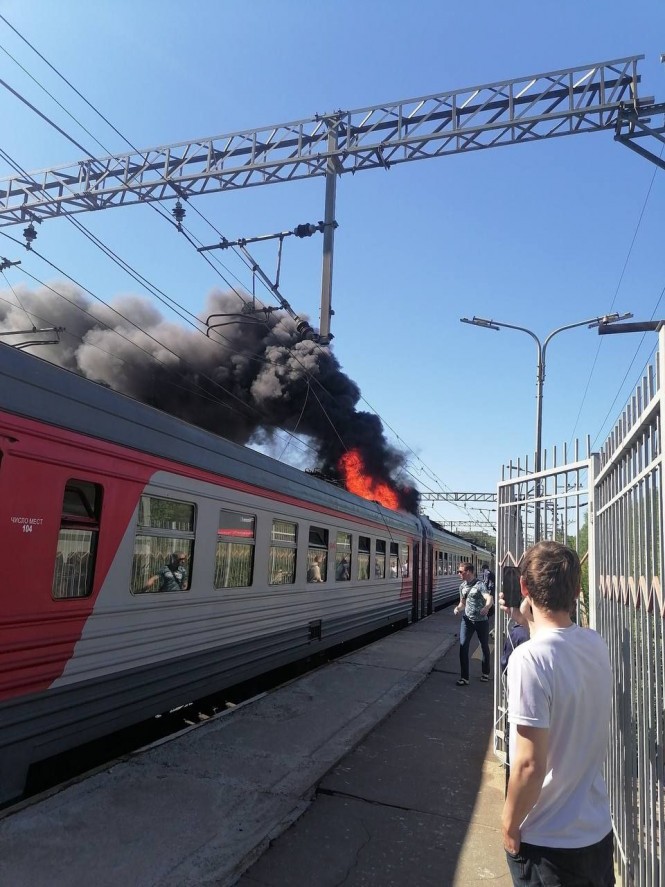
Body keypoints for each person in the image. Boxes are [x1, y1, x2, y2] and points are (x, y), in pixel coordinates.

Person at [501, 541, 614, 886]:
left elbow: (529, 766)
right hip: (596, 833)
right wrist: (527, 623)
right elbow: (558, 646)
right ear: (577, 589)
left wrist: (508, 823)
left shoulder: (528, 660)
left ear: (524, 588)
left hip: (547, 843)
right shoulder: (595, 644)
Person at [453, 562, 493, 685]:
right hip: (467, 621)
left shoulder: (480, 585)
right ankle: (464, 677)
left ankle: (485, 673)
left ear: (468, 572)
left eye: (461, 571)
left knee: (484, 647)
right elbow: (462, 603)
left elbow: (489, 598)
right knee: (463, 646)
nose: (459, 574)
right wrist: (458, 609)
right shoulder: (462, 587)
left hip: (481, 621)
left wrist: (486, 607)